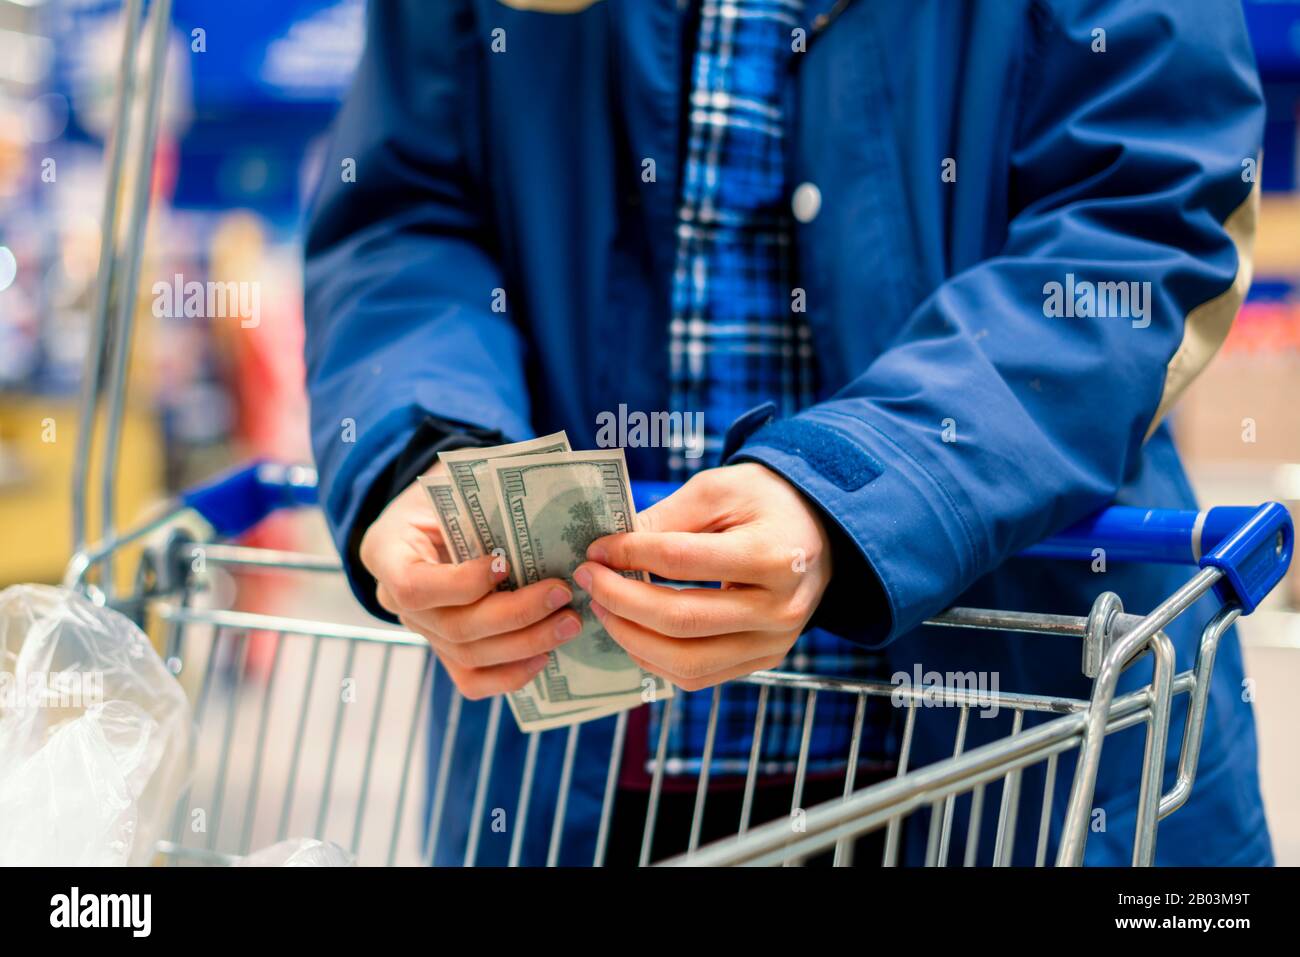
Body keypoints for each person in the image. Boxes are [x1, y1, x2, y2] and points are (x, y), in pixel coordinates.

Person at [303, 0, 1270, 865]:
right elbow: (403, 211)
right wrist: (424, 445)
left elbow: (1145, 228)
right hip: (588, 771)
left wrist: (848, 488)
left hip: (1026, 738)